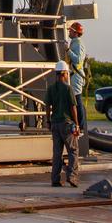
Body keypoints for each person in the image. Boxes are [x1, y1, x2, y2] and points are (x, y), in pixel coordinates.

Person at [44, 60, 79, 188]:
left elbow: (47, 106)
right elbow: (73, 107)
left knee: (57, 153)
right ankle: (72, 177)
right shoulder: (68, 88)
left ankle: (55, 179)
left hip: (55, 124)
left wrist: (48, 121)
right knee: (73, 151)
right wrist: (77, 124)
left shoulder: (51, 89)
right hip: (67, 124)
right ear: (64, 73)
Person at [67, 21, 87, 132]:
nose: (69, 32)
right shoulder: (74, 42)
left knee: (77, 101)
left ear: (75, 32)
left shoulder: (78, 44)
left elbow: (78, 60)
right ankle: (76, 123)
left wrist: (67, 51)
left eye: (70, 30)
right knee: (74, 101)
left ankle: (81, 126)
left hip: (76, 76)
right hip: (73, 75)